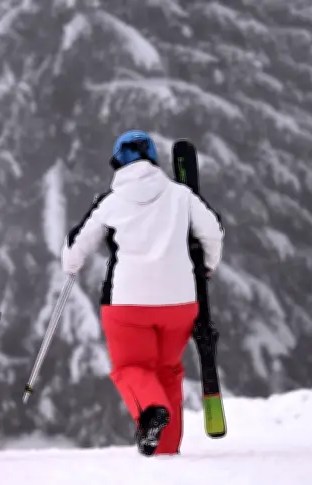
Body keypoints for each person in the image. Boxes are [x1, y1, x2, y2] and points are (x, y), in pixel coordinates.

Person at [61, 130, 224, 456]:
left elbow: (75, 253)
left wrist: (71, 258)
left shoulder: (110, 202)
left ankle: (151, 411)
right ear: (154, 159)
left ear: (117, 163)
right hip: (180, 301)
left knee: (131, 368)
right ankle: (164, 454)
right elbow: (213, 233)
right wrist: (207, 266)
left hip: (128, 303)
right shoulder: (182, 195)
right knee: (167, 371)